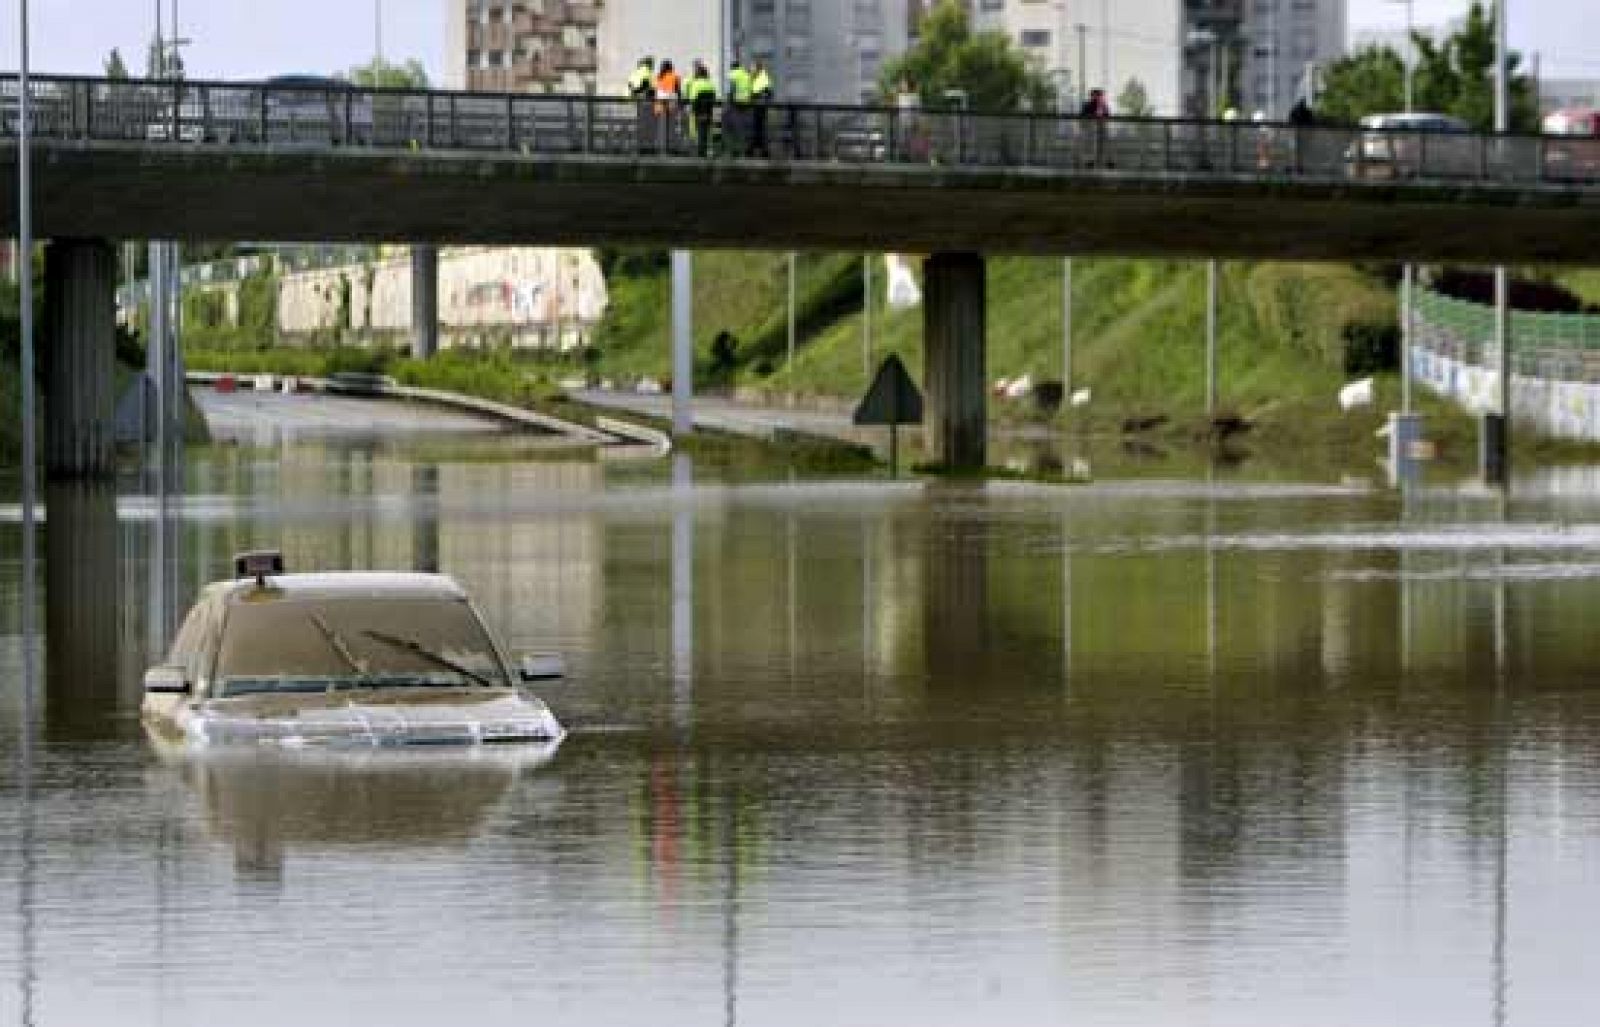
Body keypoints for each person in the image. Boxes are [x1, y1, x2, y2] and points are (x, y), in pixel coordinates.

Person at [687, 61, 718, 158]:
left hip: (698, 111)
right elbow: (714, 98)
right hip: (708, 111)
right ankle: (708, 150)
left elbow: (692, 99)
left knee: (697, 132)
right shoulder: (711, 84)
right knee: (707, 131)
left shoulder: (695, 84)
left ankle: (699, 152)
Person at [725, 59, 753, 157]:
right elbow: (750, 89)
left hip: (736, 103)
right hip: (746, 102)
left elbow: (731, 89)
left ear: (732, 67)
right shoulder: (746, 75)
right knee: (743, 126)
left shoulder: (732, 74)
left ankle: (733, 150)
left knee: (731, 126)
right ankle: (743, 150)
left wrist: (729, 102)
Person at [655, 60, 682, 152]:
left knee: (660, 126)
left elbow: (655, 90)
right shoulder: (675, 76)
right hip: (671, 101)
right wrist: (680, 102)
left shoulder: (658, 77)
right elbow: (678, 90)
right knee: (671, 126)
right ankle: (670, 147)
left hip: (659, 102)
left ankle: (661, 147)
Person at [1079, 87, 1110, 167]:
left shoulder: (1104, 106)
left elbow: (1106, 117)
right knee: (1090, 145)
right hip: (1090, 130)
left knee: (1101, 145)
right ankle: (1090, 161)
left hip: (1101, 129)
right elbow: (1083, 117)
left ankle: (1101, 160)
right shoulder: (1087, 105)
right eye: (1098, 95)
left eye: (1100, 96)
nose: (1099, 97)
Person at [750, 60, 774, 157]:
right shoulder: (760, 77)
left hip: (759, 107)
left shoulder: (762, 78)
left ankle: (760, 149)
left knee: (759, 129)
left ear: (758, 69)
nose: (752, 70)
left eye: (753, 68)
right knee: (758, 128)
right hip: (759, 106)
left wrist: (755, 97)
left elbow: (766, 93)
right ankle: (759, 149)